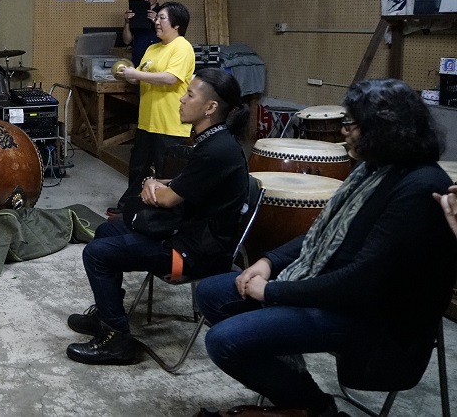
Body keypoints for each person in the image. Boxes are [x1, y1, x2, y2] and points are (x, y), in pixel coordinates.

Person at [194, 79, 456, 417]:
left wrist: (273, 293)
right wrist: (268, 263)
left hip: (374, 319)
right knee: (213, 293)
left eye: (352, 124)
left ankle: (314, 408)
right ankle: (303, 400)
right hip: (340, 293)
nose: (344, 131)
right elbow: (324, 232)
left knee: (225, 341)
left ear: (384, 129)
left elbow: (362, 281)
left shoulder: (420, 188)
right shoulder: (375, 168)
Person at [65, 68, 250, 365]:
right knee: (106, 232)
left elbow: (168, 197)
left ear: (210, 107)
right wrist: (154, 185)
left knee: (97, 254)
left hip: (194, 251)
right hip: (182, 234)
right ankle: (106, 315)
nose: (182, 99)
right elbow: (178, 186)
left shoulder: (218, 150)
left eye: (189, 94)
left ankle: (117, 340)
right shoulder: (212, 140)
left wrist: (151, 185)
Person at [108, 1, 195, 216]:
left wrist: (137, 75)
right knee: (138, 168)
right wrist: (128, 73)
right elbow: (141, 76)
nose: (156, 21)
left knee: (167, 172)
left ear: (177, 24)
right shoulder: (152, 48)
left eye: (162, 18)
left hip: (170, 124)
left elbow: (170, 78)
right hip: (148, 121)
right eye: (157, 18)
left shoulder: (182, 47)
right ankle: (129, 208)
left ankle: (163, 214)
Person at [122, 0, 163, 68]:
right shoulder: (135, 12)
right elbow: (127, 41)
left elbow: (171, 36)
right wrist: (127, 22)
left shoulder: (163, 12)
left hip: (157, 60)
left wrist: (157, 20)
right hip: (138, 59)